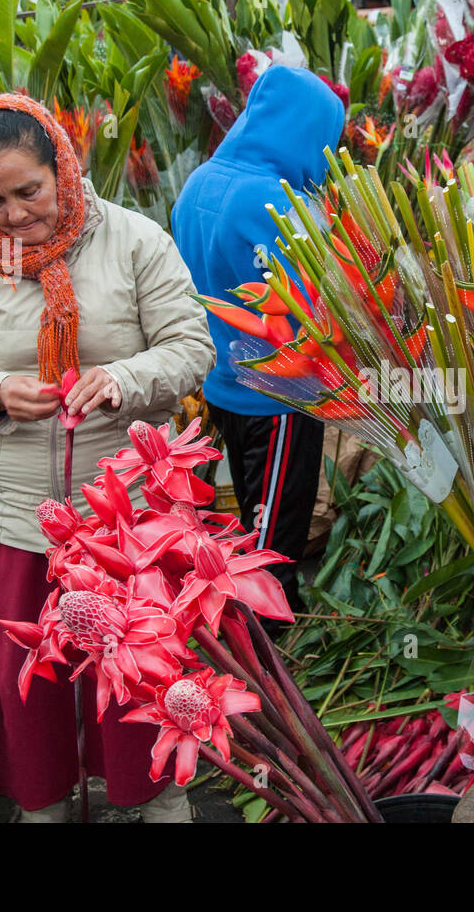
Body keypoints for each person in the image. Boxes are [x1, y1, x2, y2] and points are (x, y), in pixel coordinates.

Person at [0, 94, 215, 823]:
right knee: (31, 676)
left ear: (63, 166)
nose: (14, 215)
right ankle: (42, 801)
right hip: (22, 516)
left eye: (29, 191)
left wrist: (124, 379)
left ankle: (154, 794)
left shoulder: (135, 241)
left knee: (138, 663)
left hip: (129, 511)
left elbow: (192, 347)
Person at [171, 66, 344, 616]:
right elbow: (319, 297)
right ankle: (267, 644)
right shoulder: (281, 203)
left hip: (223, 382)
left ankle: (253, 619)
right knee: (275, 537)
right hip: (279, 394)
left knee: (253, 513)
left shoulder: (199, 181)